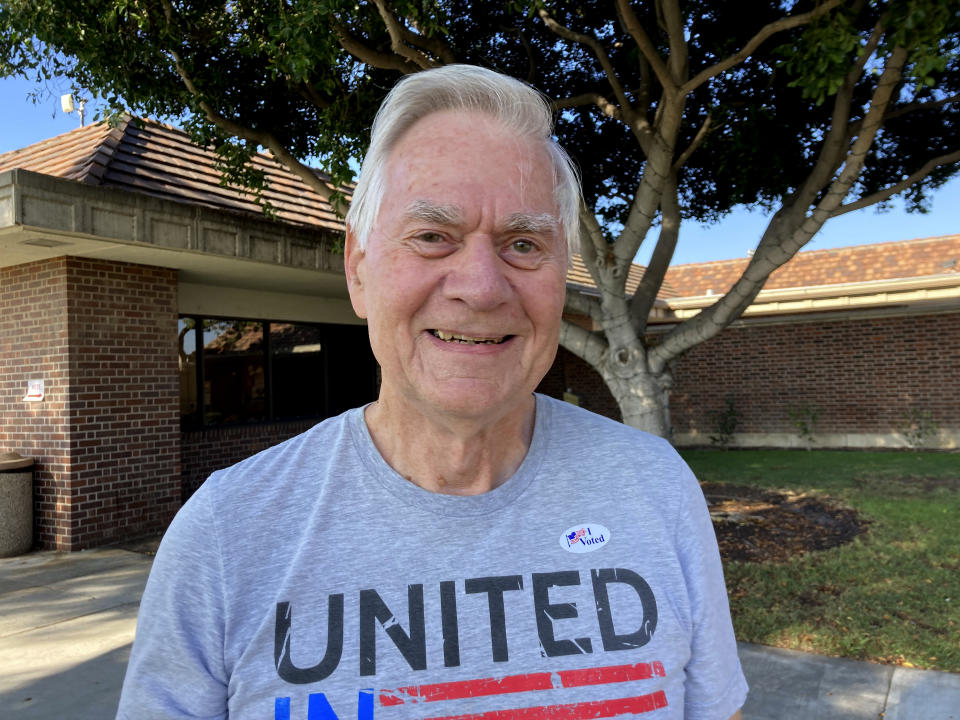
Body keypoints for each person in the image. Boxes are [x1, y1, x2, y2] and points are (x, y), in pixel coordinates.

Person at [117, 64, 748, 720]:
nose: (479, 286)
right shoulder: (228, 533)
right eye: (432, 237)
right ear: (359, 272)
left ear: (562, 277)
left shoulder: (656, 491)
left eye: (523, 244)